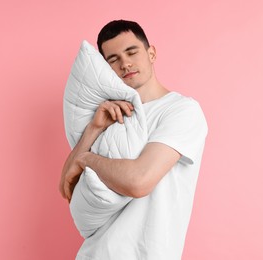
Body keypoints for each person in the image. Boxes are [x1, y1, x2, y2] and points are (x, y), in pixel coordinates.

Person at [59, 19, 208, 260]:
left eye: (131, 52)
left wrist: (86, 159)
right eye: (113, 59)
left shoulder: (181, 110)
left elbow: (139, 181)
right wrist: (94, 129)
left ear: (151, 53)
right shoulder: (112, 114)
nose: (125, 63)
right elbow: (66, 187)